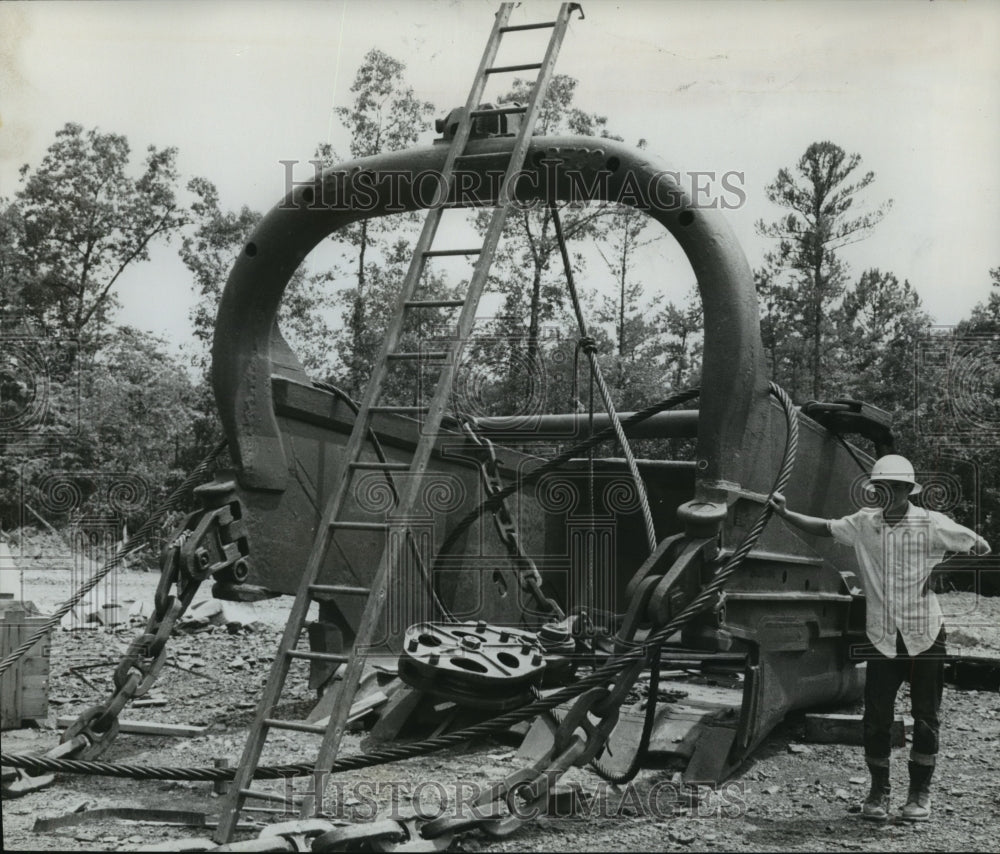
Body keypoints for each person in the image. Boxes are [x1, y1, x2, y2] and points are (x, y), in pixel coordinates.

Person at [768, 455, 991, 823]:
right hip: (883, 635)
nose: (888, 494)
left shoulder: (930, 523)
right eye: (881, 488)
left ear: (907, 490)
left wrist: (942, 573)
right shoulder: (863, 523)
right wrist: (786, 514)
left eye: (896, 487)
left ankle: (919, 793)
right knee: (876, 717)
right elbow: (824, 526)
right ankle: (878, 792)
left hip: (925, 633)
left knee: (925, 716)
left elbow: (980, 546)